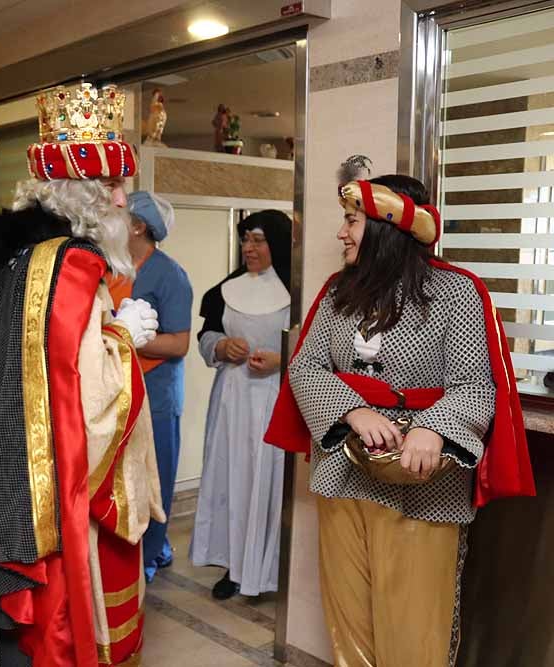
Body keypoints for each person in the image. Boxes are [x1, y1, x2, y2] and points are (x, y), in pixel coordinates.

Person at [265, 175, 535, 666]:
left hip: (423, 480)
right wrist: (353, 409)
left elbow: (476, 385)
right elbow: (306, 366)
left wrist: (434, 427)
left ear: (389, 226)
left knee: (413, 629)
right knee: (348, 619)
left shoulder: (457, 293)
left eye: (352, 221)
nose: (342, 234)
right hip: (342, 470)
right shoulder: (336, 292)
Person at [0, 82, 164, 667]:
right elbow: (89, 405)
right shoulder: (71, 265)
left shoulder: (17, 259)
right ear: (85, 193)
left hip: (10, 476)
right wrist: (125, 339)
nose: (126, 202)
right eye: (115, 186)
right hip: (55, 498)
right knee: (62, 628)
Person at [189, 210, 292, 600]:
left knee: (268, 481)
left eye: (259, 240)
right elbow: (206, 334)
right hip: (232, 396)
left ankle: (268, 567)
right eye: (245, 239)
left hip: (273, 398)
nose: (248, 248)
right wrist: (219, 345)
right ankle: (233, 564)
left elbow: (312, 345)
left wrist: (282, 359)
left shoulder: (296, 291)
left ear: (277, 245)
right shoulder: (224, 291)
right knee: (232, 477)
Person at [107, 190, 192, 582]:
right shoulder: (115, 268)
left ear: (138, 226)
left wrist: (127, 336)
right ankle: (129, 549)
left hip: (157, 389)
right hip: (121, 385)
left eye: (120, 215)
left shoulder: (169, 275)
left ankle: (153, 552)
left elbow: (179, 342)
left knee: (158, 472)